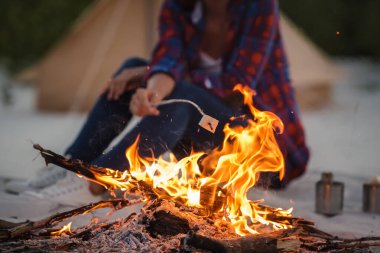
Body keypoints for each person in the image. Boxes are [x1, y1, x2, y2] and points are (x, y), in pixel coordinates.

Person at [5, 0, 309, 207]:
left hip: (259, 150)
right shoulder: (178, 6)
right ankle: (71, 166)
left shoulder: (260, 6)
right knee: (135, 67)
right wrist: (150, 89)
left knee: (178, 95)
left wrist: (155, 80)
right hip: (205, 134)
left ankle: (94, 180)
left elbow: (236, 86)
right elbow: (169, 59)